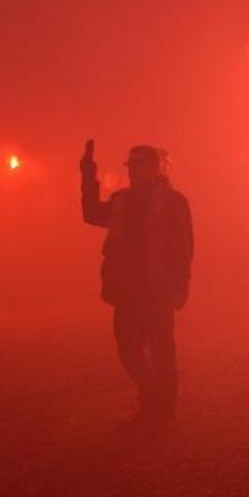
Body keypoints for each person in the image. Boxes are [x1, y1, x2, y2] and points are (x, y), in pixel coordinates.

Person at [81, 141, 193, 431]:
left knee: (162, 350)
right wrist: (87, 176)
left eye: (141, 165)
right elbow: (92, 214)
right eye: (131, 165)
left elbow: (183, 248)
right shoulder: (122, 200)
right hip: (127, 287)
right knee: (128, 347)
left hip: (157, 288)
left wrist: (180, 285)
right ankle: (154, 398)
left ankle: (161, 410)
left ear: (156, 169)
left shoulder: (174, 202)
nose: (134, 171)